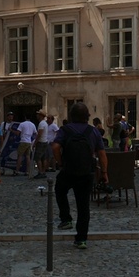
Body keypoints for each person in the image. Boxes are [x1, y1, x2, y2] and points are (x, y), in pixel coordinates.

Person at [52, 102, 109, 250]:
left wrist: (60, 163)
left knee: (59, 190)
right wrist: (104, 173)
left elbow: (56, 146)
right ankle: (81, 239)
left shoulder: (65, 130)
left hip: (68, 170)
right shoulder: (93, 131)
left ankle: (66, 218)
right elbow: (102, 154)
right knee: (83, 206)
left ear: (71, 116)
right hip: (86, 172)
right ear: (87, 116)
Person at [32, 109, 49, 179]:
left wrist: (35, 143)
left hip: (41, 142)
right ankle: (43, 171)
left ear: (41, 116)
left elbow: (39, 134)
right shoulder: (45, 123)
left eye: (38, 114)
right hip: (45, 141)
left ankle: (40, 172)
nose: (37, 115)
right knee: (43, 158)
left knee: (38, 158)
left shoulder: (41, 124)